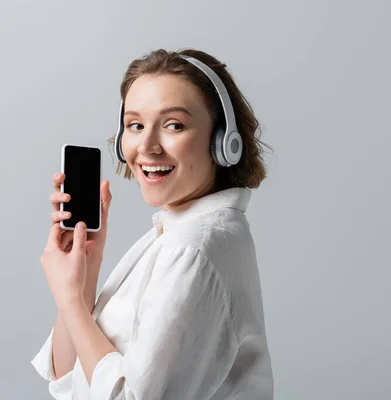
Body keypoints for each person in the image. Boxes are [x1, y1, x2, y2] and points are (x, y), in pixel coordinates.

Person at [31, 48, 274, 399]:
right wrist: (86, 271)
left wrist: (69, 298)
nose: (146, 146)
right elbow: (70, 377)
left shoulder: (194, 249)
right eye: (135, 125)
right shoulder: (174, 234)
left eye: (174, 125)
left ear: (224, 142)